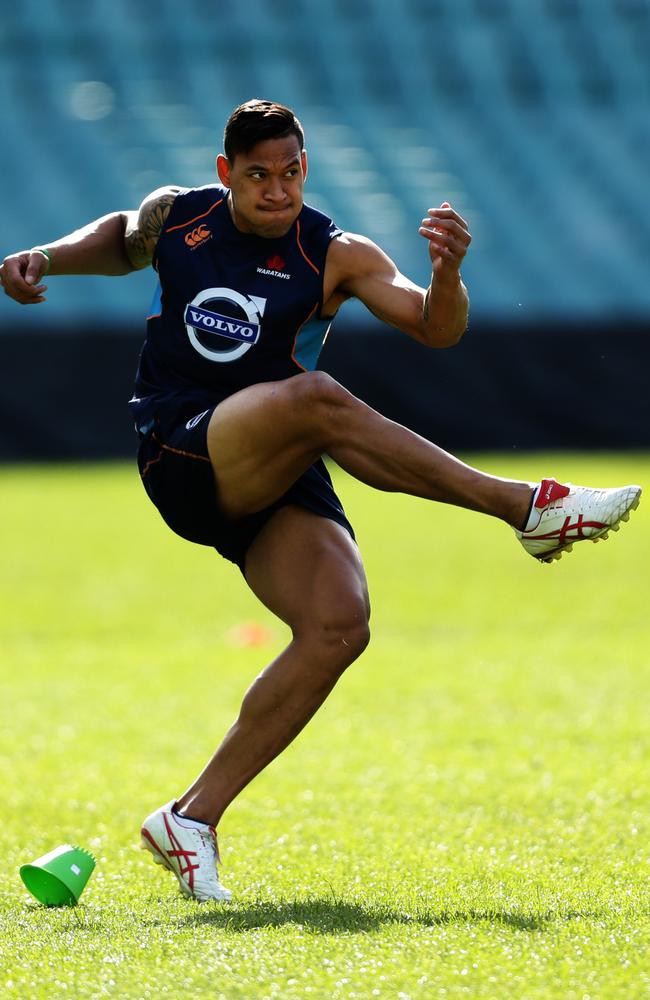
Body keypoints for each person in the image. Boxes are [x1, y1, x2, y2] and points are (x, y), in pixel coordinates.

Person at [1, 99, 641, 902]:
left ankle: (189, 819)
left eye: (292, 173)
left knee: (340, 625)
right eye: (260, 176)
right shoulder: (182, 218)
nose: (278, 191)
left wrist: (447, 278)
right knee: (317, 400)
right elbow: (123, 235)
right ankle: (526, 508)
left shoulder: (335, 252)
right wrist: (46, 259)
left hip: (273, 466)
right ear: (225, 173)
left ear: (308, 168)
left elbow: (434, 329)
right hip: (180, 445)